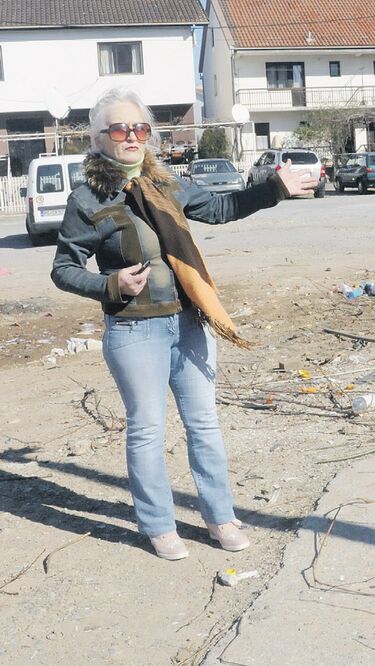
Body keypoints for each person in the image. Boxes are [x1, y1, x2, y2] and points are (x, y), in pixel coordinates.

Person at [51, 88, 317, 560]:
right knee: (147, 430)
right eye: (119, 129)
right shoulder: (86, 198)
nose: (131, 137)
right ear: (98, 139)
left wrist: (274, 189)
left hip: (189, 322)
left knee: (204, 425)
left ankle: (220, 517)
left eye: (139, 128)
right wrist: (110, 285)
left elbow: (218, 210)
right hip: (135, 332)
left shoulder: (166, 183)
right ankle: (159, 525)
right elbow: (64, 268)